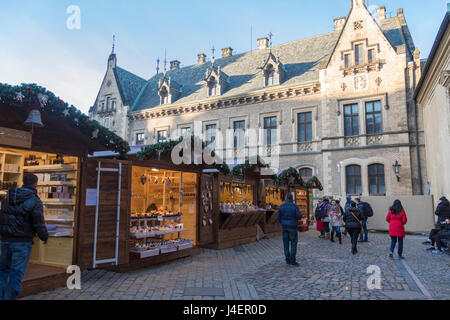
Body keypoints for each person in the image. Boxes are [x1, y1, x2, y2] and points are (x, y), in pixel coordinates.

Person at [0, 174, 48, 300]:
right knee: (17, 272)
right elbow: (38, 222)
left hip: (5, 239)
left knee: (3, 270)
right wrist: (44, 237)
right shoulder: (35, 200)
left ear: (23, 182)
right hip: (22, 241)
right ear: (36, 183)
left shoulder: (7, 197)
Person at [277, 193, 302, 266]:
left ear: (286, 198)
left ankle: (287, 259)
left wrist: (282, 222)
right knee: (293, 243)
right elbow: (299, 216)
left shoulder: (281, 206)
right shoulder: (294, 206)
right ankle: (292, 260)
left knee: (285, 243)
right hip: (293, 226)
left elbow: (278, 217)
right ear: (292, 198)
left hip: (284, 226)